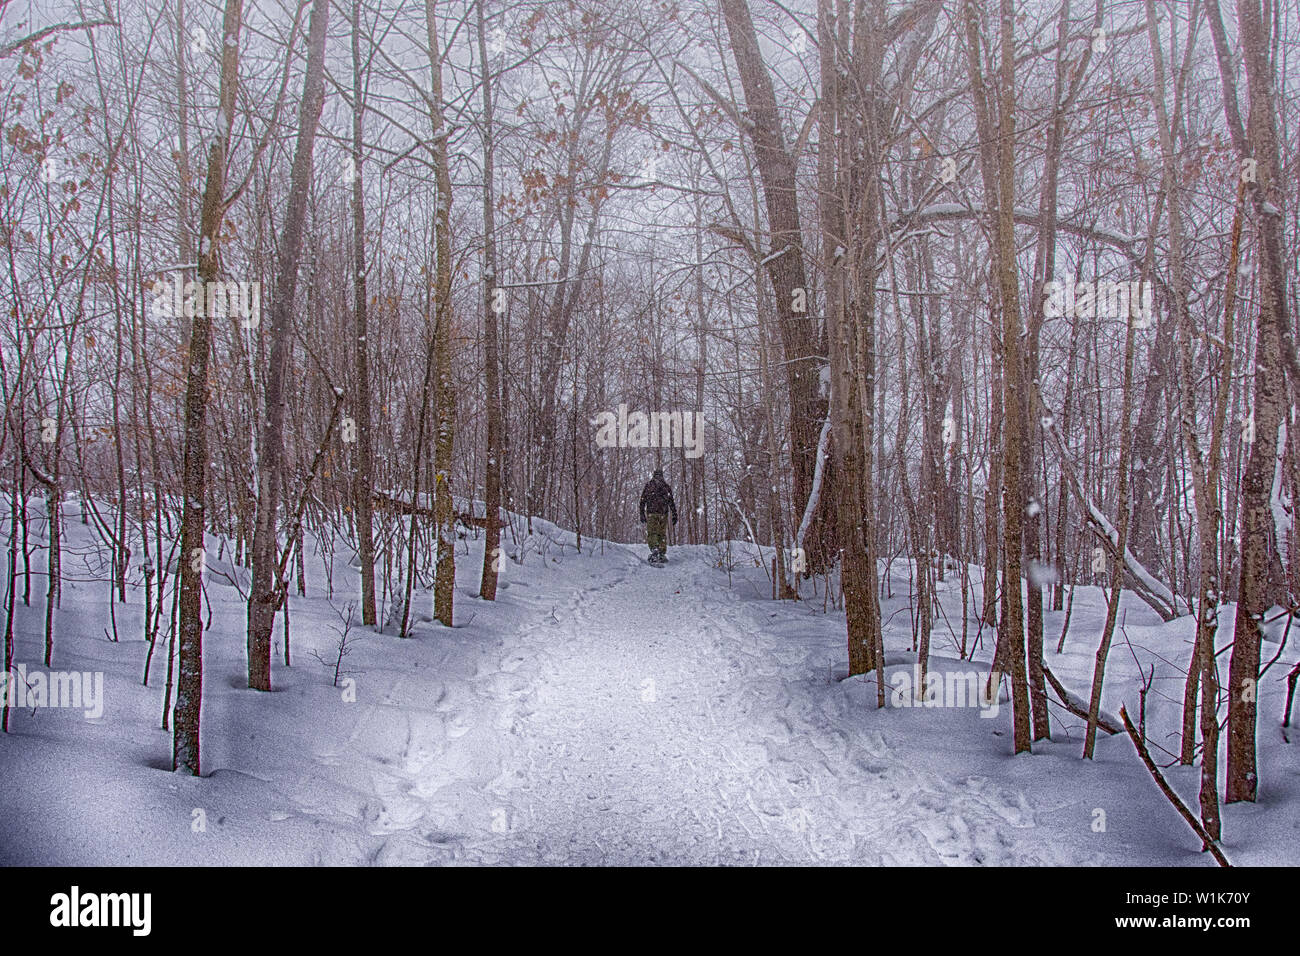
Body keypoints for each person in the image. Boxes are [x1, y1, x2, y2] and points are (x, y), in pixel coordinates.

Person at [639, 467, 678, 565]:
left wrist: (642, 513)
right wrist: (674, 514)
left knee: (653, 533)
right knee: (661, 533)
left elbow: (643, 500)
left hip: (652, 513)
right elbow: (671, 502)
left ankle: (655, 550)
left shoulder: (649, 485)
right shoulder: (666, 486)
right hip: (663, 514)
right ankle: (661, 552)